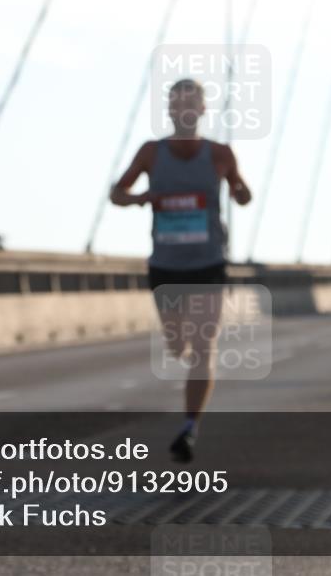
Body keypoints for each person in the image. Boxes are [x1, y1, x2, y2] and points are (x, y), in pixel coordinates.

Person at [110, 79, 251, 462]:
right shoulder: (151, 153)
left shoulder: (220, 154)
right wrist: (143, 198)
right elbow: (116, 193)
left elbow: (242, 191)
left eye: (192, 103)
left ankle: (190, 426)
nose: (185, 110)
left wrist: (239, 192)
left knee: (204, 346)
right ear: (170, 111)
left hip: (208, 264)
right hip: (165, 266)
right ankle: (179, 351)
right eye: (178, 104)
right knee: (177, 345)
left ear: (203, 111)